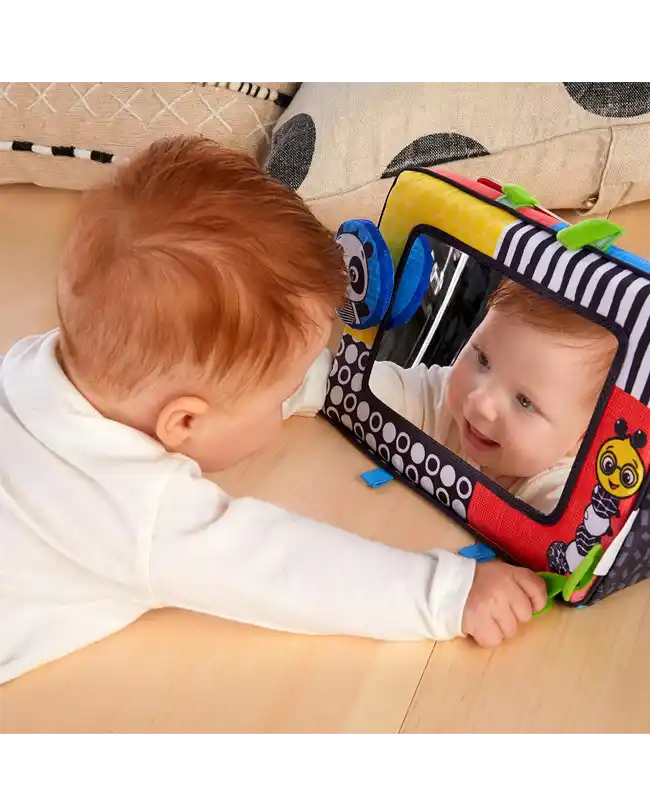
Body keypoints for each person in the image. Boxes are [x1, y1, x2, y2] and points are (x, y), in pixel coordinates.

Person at [0, 137, 546, 685]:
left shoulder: (38, 365)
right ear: (184, 421)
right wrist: (452, 594)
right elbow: (289, 570)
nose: (293, 394)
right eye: (282, 390)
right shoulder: (142, 512)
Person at [370, 278, 619, 514]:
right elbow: (358, 386)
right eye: (483, 359)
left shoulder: (556, 492)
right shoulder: (441, 396)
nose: (480, 402)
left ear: (581, 439)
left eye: (524, 401)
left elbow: (568, 545)